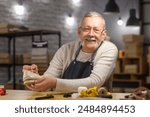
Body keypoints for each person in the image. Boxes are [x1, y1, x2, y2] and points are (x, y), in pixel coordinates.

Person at [23, 11, 118, 92]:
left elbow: (95, 82)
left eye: (96, 30)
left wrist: (55, 83)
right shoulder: (65, 50)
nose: (91, 34)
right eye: (86, 29)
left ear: (103, 35)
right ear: (79, 32)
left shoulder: (109, 49)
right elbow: (48, 78)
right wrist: (34, 78)